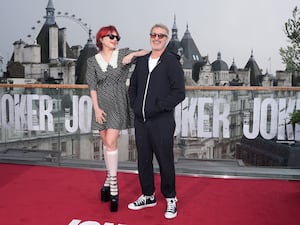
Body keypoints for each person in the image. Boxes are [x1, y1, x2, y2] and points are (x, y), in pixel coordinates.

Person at [85, 25, 148, 212]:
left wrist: (132, 56)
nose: (115, 39)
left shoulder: (122, 54)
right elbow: (92, 86)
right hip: (101, 106)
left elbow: (147, 52)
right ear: (101, 39)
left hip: (119, 102)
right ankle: (108, 179)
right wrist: (96, 108)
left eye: (117, 37)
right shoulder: (92, 61)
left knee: (111, 142)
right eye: (111, 36)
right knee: (106, 143)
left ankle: (113, 185)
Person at [127, 23, 185, 219]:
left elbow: (179, 93)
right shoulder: (142, 61)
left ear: (166, 39)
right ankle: (148, 195)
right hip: (141, 120)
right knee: (143, 160)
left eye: (161, 35)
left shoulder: (171, 62)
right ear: (150, 37)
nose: (157, 38)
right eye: (153, 35)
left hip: (161, 120)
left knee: (165, 160)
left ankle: (170, 199)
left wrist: (158, 106)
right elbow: (132, 87)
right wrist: (135, 106)